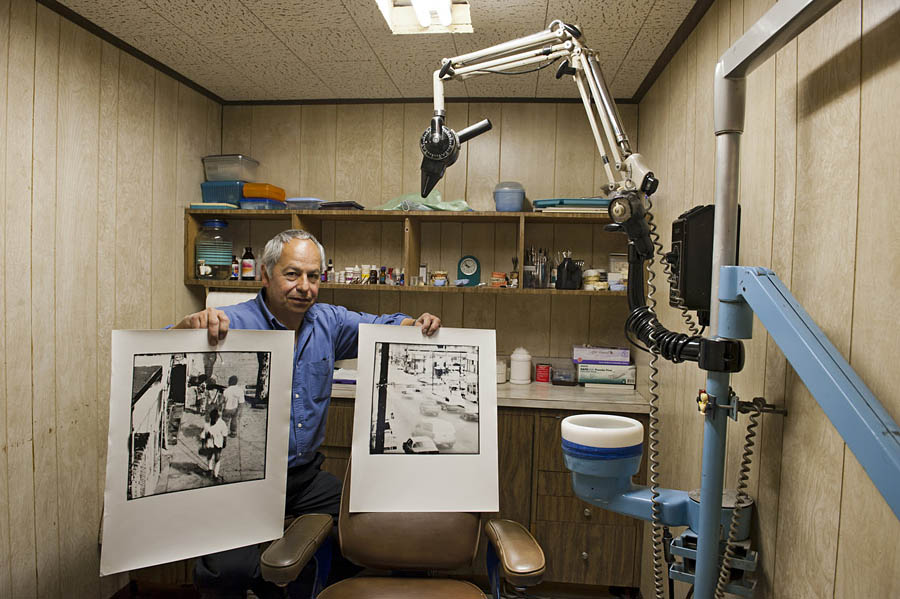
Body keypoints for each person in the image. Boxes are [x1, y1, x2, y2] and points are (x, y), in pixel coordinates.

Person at [173, 229, 441, 598]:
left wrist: (417, 325)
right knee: (229, 572)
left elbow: (386, 326)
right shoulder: (230, 324)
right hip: (239, 484)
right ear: (265, 275)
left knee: (374, 532)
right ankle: (267, 580)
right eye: (292, 274)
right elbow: (165, 357)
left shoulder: (329, 322)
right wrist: (184, 330)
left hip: (304, 478)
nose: (304, 287)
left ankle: (296, 582)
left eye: (313, 276)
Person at [200, 408, 229, 482]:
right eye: (212, 418)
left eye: (214, 418)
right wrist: (203, 445)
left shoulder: (222, 424)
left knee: (217, 458)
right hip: (210, 443)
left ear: (217, 417)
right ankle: (209, 469)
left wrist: (224, 442)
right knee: (209, 456)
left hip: (218, 443)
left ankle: (215, 475)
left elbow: (225, 434)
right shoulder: (207, 424)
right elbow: (203, 435)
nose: (213, 420)